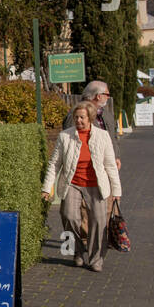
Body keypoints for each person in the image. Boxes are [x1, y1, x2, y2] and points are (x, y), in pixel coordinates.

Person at [43, 100, 122, 272]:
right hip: (72, 182)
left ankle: (96, 259)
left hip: (96, 184)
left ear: (90, 118)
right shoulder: (65, 136)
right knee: (68, 216)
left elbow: (110, 164)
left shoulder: (102, 136)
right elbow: (54, 164)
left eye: (82, 118)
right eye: (76, 117)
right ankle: (77, 251)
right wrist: (46, 187)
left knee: (98, 222)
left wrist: (116, 190)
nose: (78, 121)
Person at [62, 79, 120, 170]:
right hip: (86, 169)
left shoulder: (107, 115)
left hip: (107, 167)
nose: (108, 97)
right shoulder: (75, 115)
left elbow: (113, 137)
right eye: (107, 94)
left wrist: (115, 157)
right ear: (98, 96)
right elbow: (70, 143)